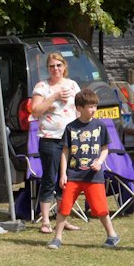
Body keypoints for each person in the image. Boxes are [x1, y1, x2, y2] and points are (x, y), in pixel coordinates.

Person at [47, 89, 120, 250]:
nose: (93, 109)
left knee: (100, 209)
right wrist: (63, 174)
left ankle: (112, 235)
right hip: (73, 175)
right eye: (89, 106)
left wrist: (100, 162)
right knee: (64, 207)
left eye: (95, 106)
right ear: (79, 108)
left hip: (94, 176)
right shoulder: (70, 128)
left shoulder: (100, 126)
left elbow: (105, 148)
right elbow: (65, 152)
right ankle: (57, 238)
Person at [30, 52, 81, 234]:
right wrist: (54, 97)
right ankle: (45, 221)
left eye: (58, 65)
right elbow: (35, 111)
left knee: (65, 180)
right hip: (50, 139)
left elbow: (79, 110)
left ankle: (62, 219)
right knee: (49, 178)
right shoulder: (42, 86)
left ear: (64, 66)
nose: (55, 69)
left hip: (70, 139)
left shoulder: (73, 85)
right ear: (48, 68)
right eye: (52, 66)